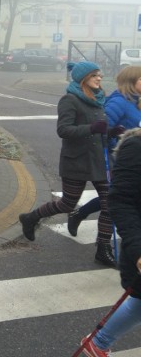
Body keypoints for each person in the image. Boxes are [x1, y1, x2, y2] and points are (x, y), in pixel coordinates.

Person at [19, 61, 117, 267]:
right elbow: (63, 130)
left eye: (99, 75)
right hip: (77, 161)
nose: (99, 78)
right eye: (94, 76)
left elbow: (98, 130)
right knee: (67, 204)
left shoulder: (98, 99)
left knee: (110, 203)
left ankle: (103, 247)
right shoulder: (69, 100)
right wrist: (91, 128)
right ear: (83, 79)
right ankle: (30, 218)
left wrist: (110, 132)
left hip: (98, 160)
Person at [79, 128, 141, 356]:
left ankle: (98, 343)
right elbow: (120, 202)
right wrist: (137, 250)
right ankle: (99, 342)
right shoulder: (136, 148)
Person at [67, 65, 140, 235]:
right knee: (118, 195)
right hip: (123, 158)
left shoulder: (137, 101)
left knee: (121, 195)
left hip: (136, 155)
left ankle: (79, 214)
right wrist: (115, 140)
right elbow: (104, 129)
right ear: (131, 82)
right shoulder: (119, 102)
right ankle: (80, 214)